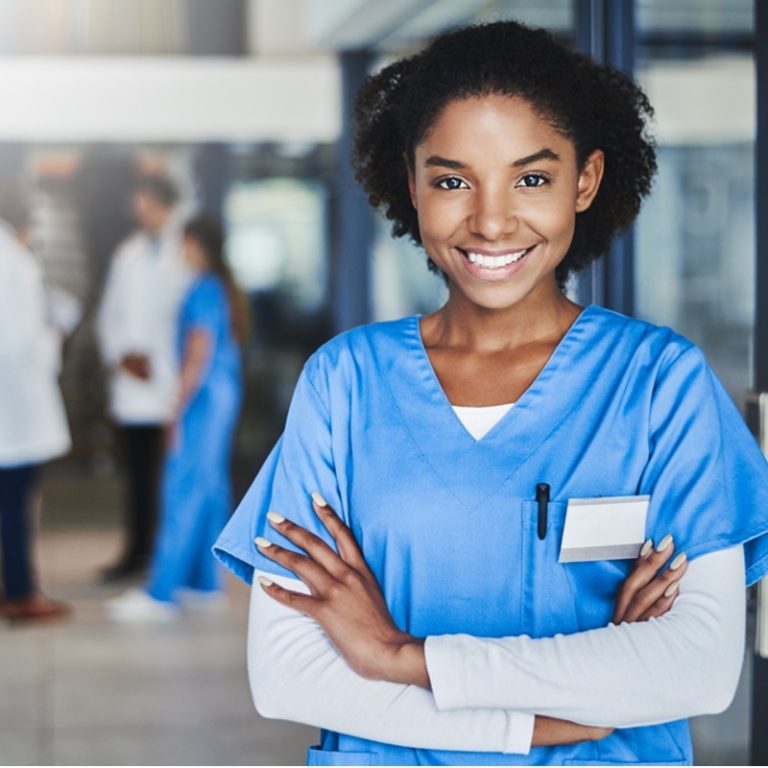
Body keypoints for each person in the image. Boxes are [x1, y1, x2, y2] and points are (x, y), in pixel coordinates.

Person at [213, 21, 768, 766]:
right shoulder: (344, 384)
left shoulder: (660, 384)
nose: (492, 219)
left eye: (531, 178)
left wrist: (399, 656)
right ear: (412, 187)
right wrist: (545, 715)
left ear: (586, 181)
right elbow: (289, 678)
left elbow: (695, 670)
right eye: (451, 181)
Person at [107, 215, 244, 622]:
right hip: (222, 399)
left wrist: (176, 408)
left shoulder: (202, 288)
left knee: (182, 489)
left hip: (201, 401)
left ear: (194, 244)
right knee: (209, 487)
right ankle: (204, 582)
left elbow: (198, 351)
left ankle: (161, 592)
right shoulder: (222, 288)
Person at [96, 172, 190, 581]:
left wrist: (161, 362)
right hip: (133, 384)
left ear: (161, 203)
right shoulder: (127, 253)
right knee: (136, 476)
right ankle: (136, 552)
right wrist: (122, 356)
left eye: (145, 199)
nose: (138, 206)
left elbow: (192, 320)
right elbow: (108, 315)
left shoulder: (184, 252)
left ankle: (171, 557)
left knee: (174, 477)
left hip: (170, 382)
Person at [0, 181, 72, 623]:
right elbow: (20, 342)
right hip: (15, 405)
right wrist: (56, 334)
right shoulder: (16, 262)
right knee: (15, 499)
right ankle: (22, 592)